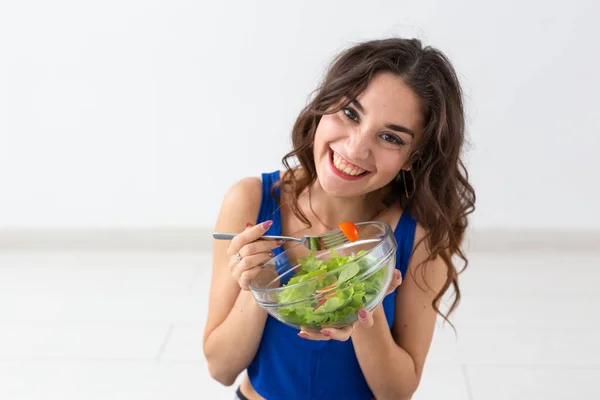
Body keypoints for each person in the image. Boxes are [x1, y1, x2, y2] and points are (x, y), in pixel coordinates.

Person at [202, 37, 476, 400]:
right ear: (323, 104)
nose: (356, 148)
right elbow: (220, 369)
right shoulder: (250, 202)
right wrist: (260, 288)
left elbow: (397, 393)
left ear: (413, 158)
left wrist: (366, 308)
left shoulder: (418, 235)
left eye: (390, 137)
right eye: (350, 113)